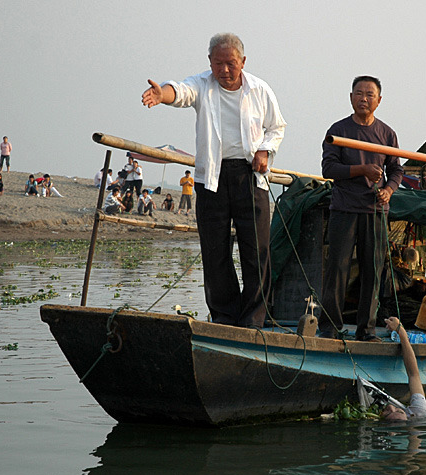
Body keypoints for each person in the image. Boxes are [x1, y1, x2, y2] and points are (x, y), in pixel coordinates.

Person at [141, 32, 287, 328]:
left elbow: (277, 128)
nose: (224, 70)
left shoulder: (259, 90)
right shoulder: (202, 84)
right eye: (218, 63)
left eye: (231, 63)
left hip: (250, 176)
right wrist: (161, 95)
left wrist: (264, 150)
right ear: (210, 62)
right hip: (212, 178)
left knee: (256, 250)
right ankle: (224, 315)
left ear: (243, 62)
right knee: (215, 249)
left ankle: (254, 319)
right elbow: (180, 92)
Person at [319, 75, 403, 341]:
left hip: (375, 212)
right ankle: (329, 328)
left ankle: (366, 331)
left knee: (372, 272)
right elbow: (329, 169)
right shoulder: (339, 130)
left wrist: (389, 190)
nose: (364, 98)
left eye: (369, 94)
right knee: (337, 270)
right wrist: (361, 170)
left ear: (379, 100)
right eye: (359, 93)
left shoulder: (387, 134)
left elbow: (397, 169)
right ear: (351, 97)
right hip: (344, 209)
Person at [379, 317, 426, 421]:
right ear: (409, 415)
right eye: (399, 411)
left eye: (387, 412)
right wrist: (400, 331)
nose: (391, 407)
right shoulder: (420, 411)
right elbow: (413, 373)